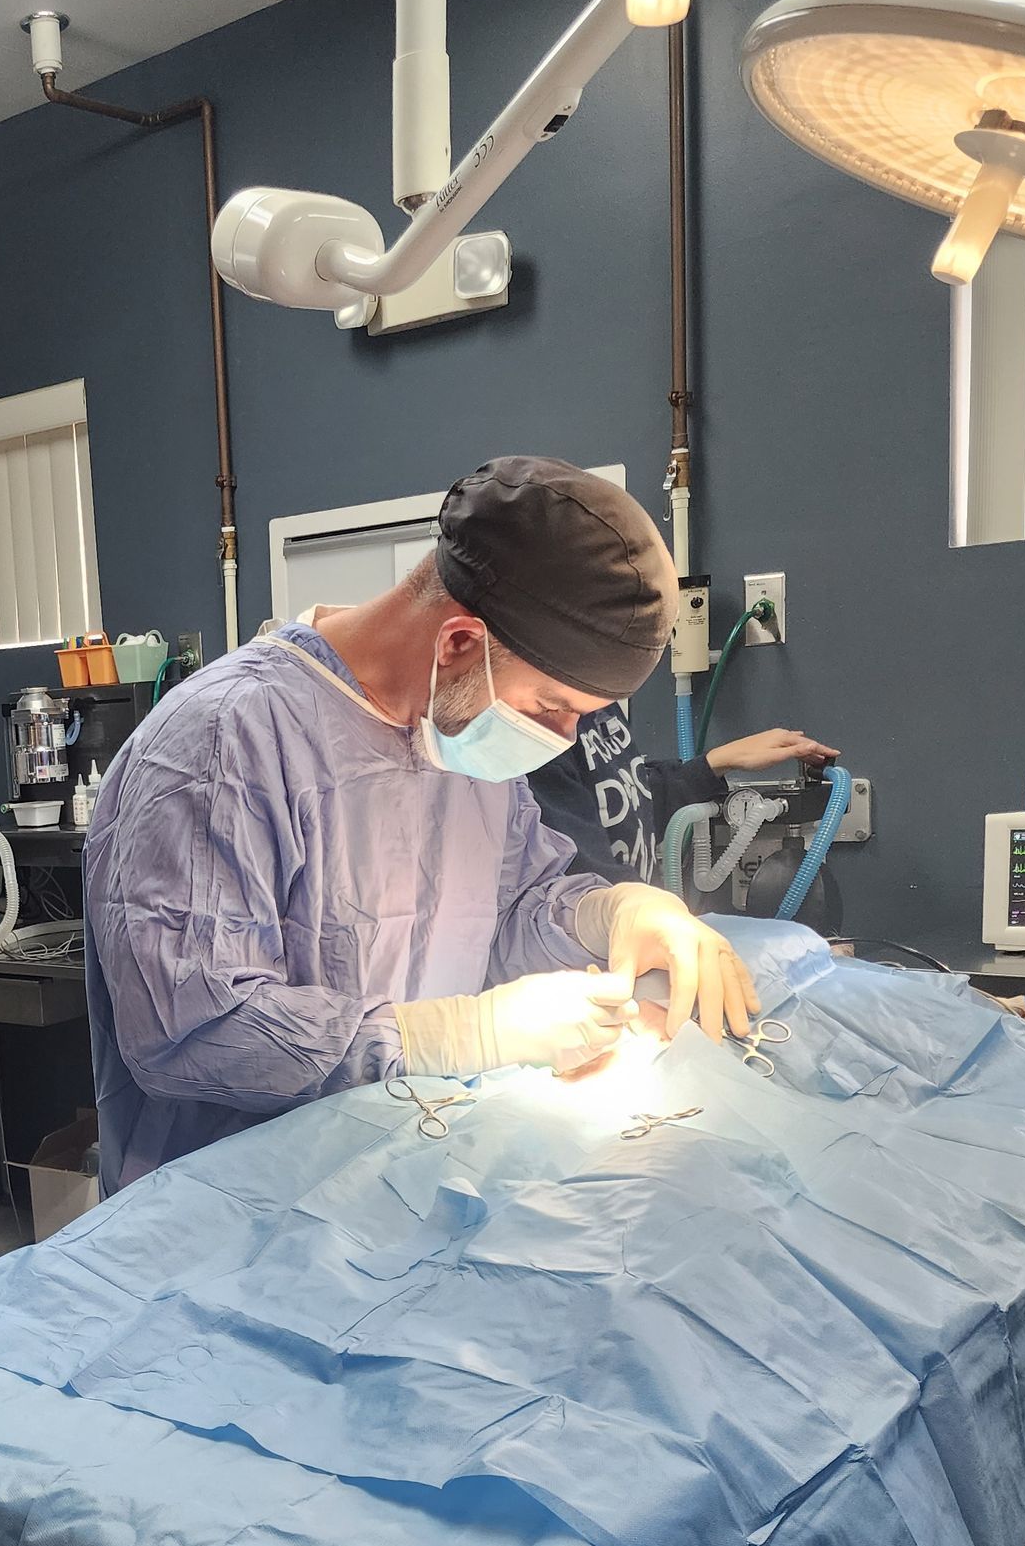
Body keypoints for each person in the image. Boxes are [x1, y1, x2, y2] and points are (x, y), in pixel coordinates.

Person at [84, 454, 758, 1190]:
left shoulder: (461, 741)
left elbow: (507, 914)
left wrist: (607, 914)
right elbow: (188, 1033)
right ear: (460, 643)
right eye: (549, 707)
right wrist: (461, 1035)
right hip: (242, 1212)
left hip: (413, 1176)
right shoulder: (220, 743)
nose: (561, 738)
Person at [529, 704, 839, 882]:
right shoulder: (539, 726)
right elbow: (578, 873)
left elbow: (628, 805)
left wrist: (718, 761)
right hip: (592, 951)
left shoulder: (598, 706)